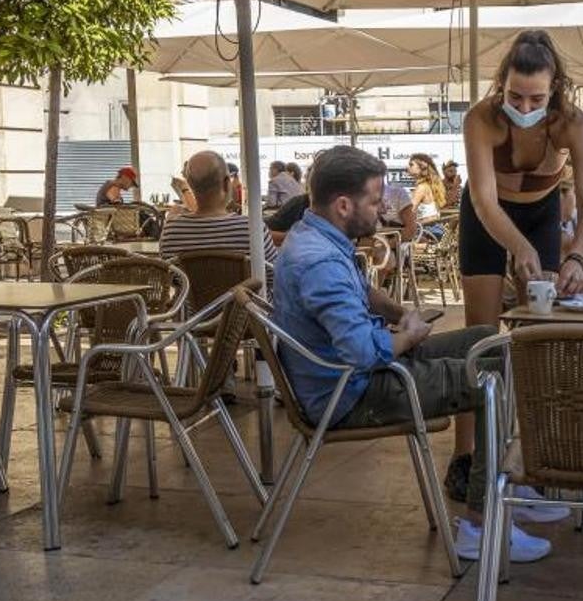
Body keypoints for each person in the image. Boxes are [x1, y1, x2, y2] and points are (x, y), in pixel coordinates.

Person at [274, 146, 559, 564]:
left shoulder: (314, 233)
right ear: (343, 205)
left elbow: (362, 293)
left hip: (358, 375)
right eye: (374, 202)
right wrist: (409, 337)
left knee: (487, 340)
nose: (381, 211)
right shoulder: (318, 261)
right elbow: (363, 352)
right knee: (491, 382)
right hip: (350, 395)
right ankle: (480, 523)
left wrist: (403, 313)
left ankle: (504, 482)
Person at [460, 30, 583, 332]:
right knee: (480, 331)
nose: (525, 109)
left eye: (537, 99)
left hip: (541, 212)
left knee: (536, 327)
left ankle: (526, 380)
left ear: (555, 89)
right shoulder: (481, 119)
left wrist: (577, 258)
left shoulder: (574, 124)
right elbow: (484, 201)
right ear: (502, 84)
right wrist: (520, 247)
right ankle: (486, 379)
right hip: (487, 215)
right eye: (515, 97)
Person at [160, 150, 278, 284]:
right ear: (226, 183)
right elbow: (274, 275)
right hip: (247, 303)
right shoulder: (251, 229)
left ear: (190, 185)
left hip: (197, 306)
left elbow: (171, 279)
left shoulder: (171, 231)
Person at [407, 153, 447, 239]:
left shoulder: (421, 187)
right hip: (436, 228)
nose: (407, 168)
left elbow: (409, 212)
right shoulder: (430, 185)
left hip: (426, 232)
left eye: (411, 165)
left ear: (421, 167)